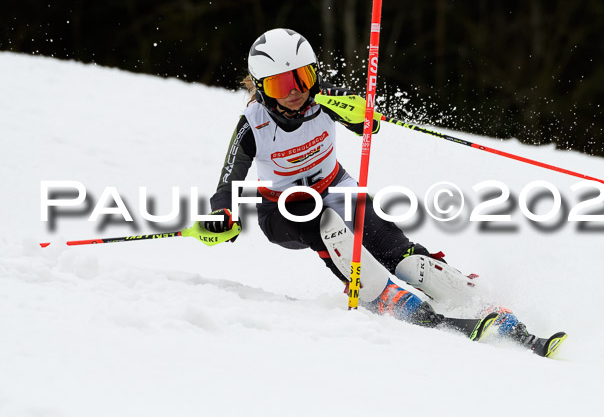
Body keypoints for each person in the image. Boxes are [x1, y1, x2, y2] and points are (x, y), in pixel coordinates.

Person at [205, 28, 565, 357]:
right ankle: (384, 296)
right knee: (324, 222)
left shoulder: (325, 101)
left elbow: (366, 121)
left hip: (335, 187)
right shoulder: (253, 124)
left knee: (398, 252)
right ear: (261, 87)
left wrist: (366, 118)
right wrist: (222, 213)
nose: (297, 90)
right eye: (283, 85)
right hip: (282, 211)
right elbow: (228, 181)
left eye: (305, 76)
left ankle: (473, 299)